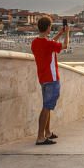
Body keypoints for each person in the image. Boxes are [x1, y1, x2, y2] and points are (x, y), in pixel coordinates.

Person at [31, 16, 69, 145]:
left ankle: (47, 132)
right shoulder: (48, 44)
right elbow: (65, 45)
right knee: (47, 107)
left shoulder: (36, 42)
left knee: (47, 106)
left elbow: (50, 43)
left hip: (43, 79)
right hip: (52, 79)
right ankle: (40, 137)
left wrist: (60, 33)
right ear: (48, 28)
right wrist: (67, 33)